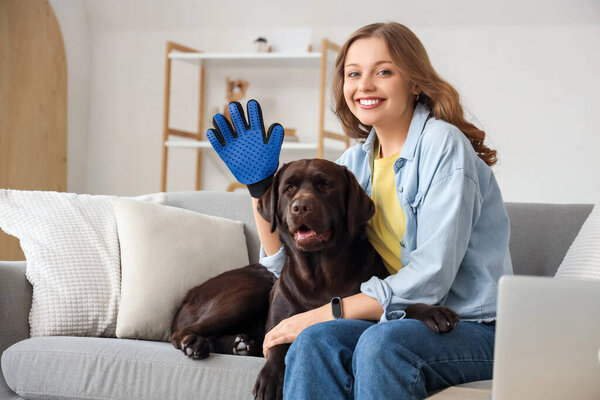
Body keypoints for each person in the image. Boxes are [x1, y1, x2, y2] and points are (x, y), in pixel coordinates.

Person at [207, 22, 512, 400]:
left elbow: (432, 277)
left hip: (475, 328)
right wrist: (260, 189)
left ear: (415, 83)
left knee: (381, 345)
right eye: (354, 74)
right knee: (315, 341)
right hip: (398, 319)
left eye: (383, 71)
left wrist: (324, 312)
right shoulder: (354, 164)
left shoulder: (442, 145)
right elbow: (284, 260)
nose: (364, 85)